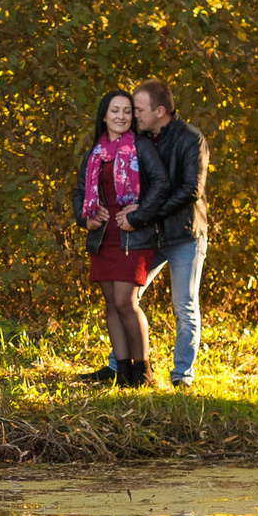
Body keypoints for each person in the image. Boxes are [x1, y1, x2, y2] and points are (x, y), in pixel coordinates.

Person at [124, 78, 210, 389]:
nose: (135, 116)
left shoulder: (191, 140)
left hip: (185, 235)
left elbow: (191, 190)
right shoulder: (141, 137)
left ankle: (182, 376)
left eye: (139, 110)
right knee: (127, 297)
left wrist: (146, 213)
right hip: (151, 233)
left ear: (160, 111)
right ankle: (121, 364)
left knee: (184, 305)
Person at [74, 89, 156, 387]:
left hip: (133, 236)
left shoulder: (142, 148)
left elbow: (161, 184)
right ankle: (122, 373)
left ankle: (143, 371)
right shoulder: (94, 153)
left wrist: (139, 213)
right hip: (103, 237)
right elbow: (80, 193)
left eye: (127, 111)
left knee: (125, 301)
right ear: (104, 116)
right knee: (110, 304)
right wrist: (87, 218)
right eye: (115, 111)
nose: (121, 116)